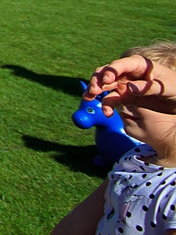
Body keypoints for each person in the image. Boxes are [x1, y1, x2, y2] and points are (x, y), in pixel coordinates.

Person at [53, 42, 176, 235]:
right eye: (124, 91)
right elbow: (79, 221)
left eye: (143, 94)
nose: (126, 102)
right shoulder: (135, 157)